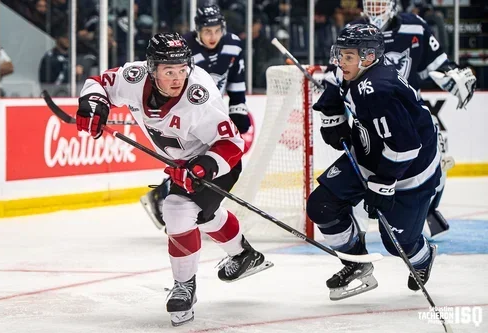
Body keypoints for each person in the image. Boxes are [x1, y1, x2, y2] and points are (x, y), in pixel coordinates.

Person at [75, 32, 272, 326]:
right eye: (169, 71)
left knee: (178, 209)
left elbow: (233, 144)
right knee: (205, 215)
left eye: (182, 70)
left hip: (218, 163)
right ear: (151, 69)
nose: (177, 78)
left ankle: (185, 287)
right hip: (185, 164)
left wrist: (201, 168)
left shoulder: (199, 96)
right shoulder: (134, 77)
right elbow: (99, 83)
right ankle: (244, 255)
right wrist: (94, 103)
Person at [306, 24, 440, 300]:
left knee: (397, 244)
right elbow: (334, 83)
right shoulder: (356, 68)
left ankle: (423, 257)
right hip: (369, 154)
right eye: (340, 54)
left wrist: (382, 183)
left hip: (410, 170)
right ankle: (356, 263)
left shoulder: (379, 89)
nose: (341, 62)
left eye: (348, 57)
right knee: (321, 206)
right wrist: (332, 116)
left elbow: (406, 146)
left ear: (368, 57)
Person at [351, 0, 477, 239]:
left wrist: (453, 74)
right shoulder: (354, 31)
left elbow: (439, 62)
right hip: (370, 116)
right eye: (371, 3)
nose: (375, 8)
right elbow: (339, 69)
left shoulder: (415, 26)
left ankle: (428, 208)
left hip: (411, 114)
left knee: (435, 157)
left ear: (392, 4)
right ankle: (359, 229)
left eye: (380, 3)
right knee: (367, 167)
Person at [140, 3, 252, 229]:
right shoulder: (184, 49)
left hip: (210, 109)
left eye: (217, 31)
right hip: (185, 109)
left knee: (211, 155)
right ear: (197, 30)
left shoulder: (233, 44)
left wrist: (238, 105)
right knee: (190, 156)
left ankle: (183, 199)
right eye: (207, 31)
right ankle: (167, 194)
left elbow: (236, 78)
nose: (213, 36)